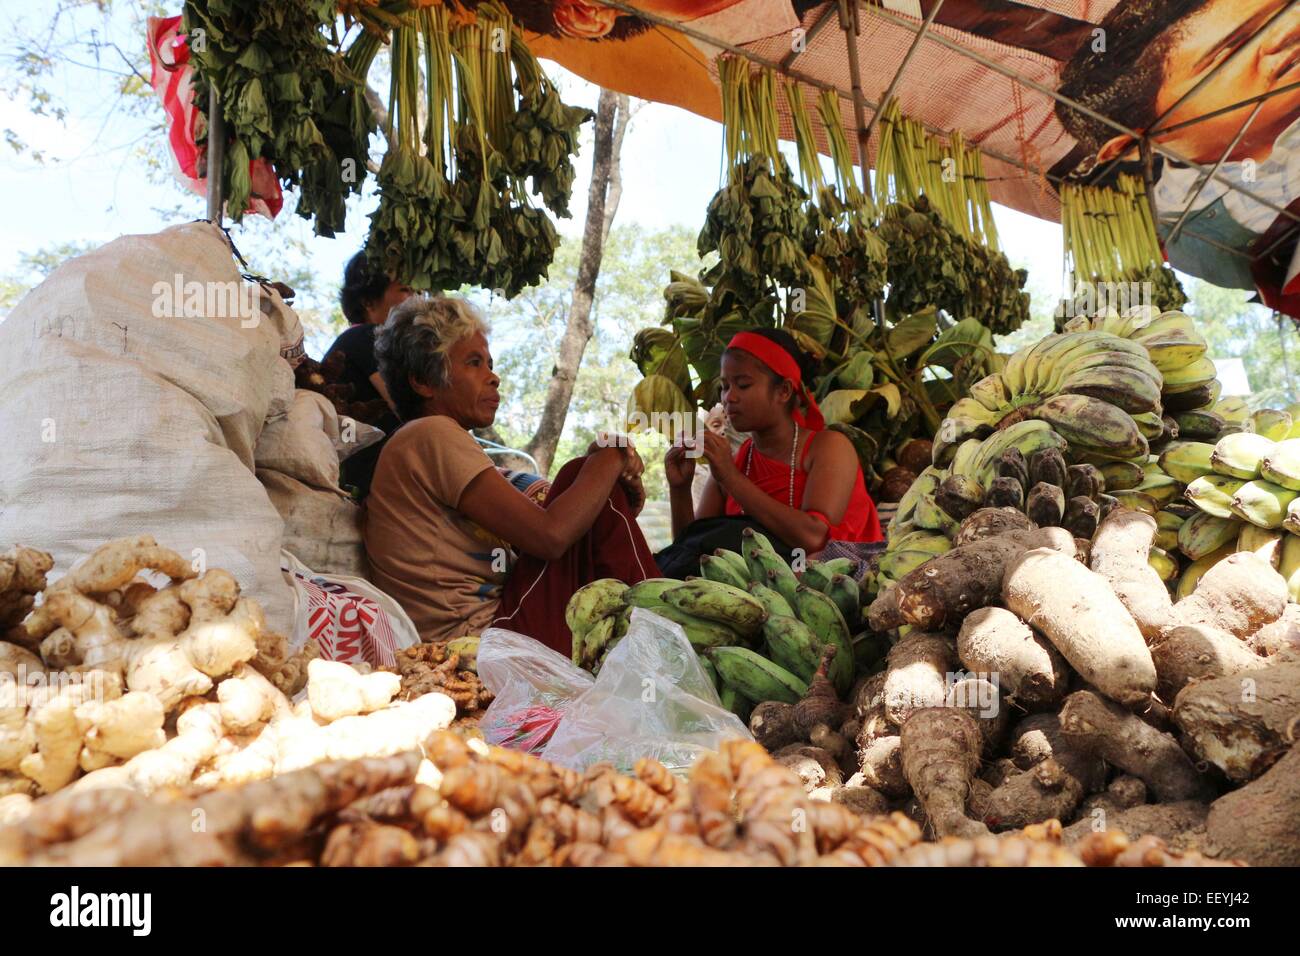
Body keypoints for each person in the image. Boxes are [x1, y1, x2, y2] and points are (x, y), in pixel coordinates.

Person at [363, 294, 659, 654]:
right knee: (581, 471)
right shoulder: (430, 434)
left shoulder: (428, 440)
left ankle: (652, 631)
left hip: (502, 622)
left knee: (586, 484)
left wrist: (607, 484)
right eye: (474, 363)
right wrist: (613, 457)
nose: (493, 377)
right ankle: (661, 636)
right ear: (423, 381)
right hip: (484, 637)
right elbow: (551, 536)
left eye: (490, 363)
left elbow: (559, 529)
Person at [656, 328, 881, 578]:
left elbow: (814, 537)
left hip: (828, 584)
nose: (729, 397)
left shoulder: (830, 447)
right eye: (724, 386)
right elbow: (691, 548)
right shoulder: (739, 460)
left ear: (783, 391)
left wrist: (731, 478)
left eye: (743, 384)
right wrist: (679, 489)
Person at [323, 252, 413, 496]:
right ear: (368, 300)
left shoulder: (355, 339)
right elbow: (410, 408)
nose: (417, 300)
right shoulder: (367, 337)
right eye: (406, 290)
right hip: (374, 485)